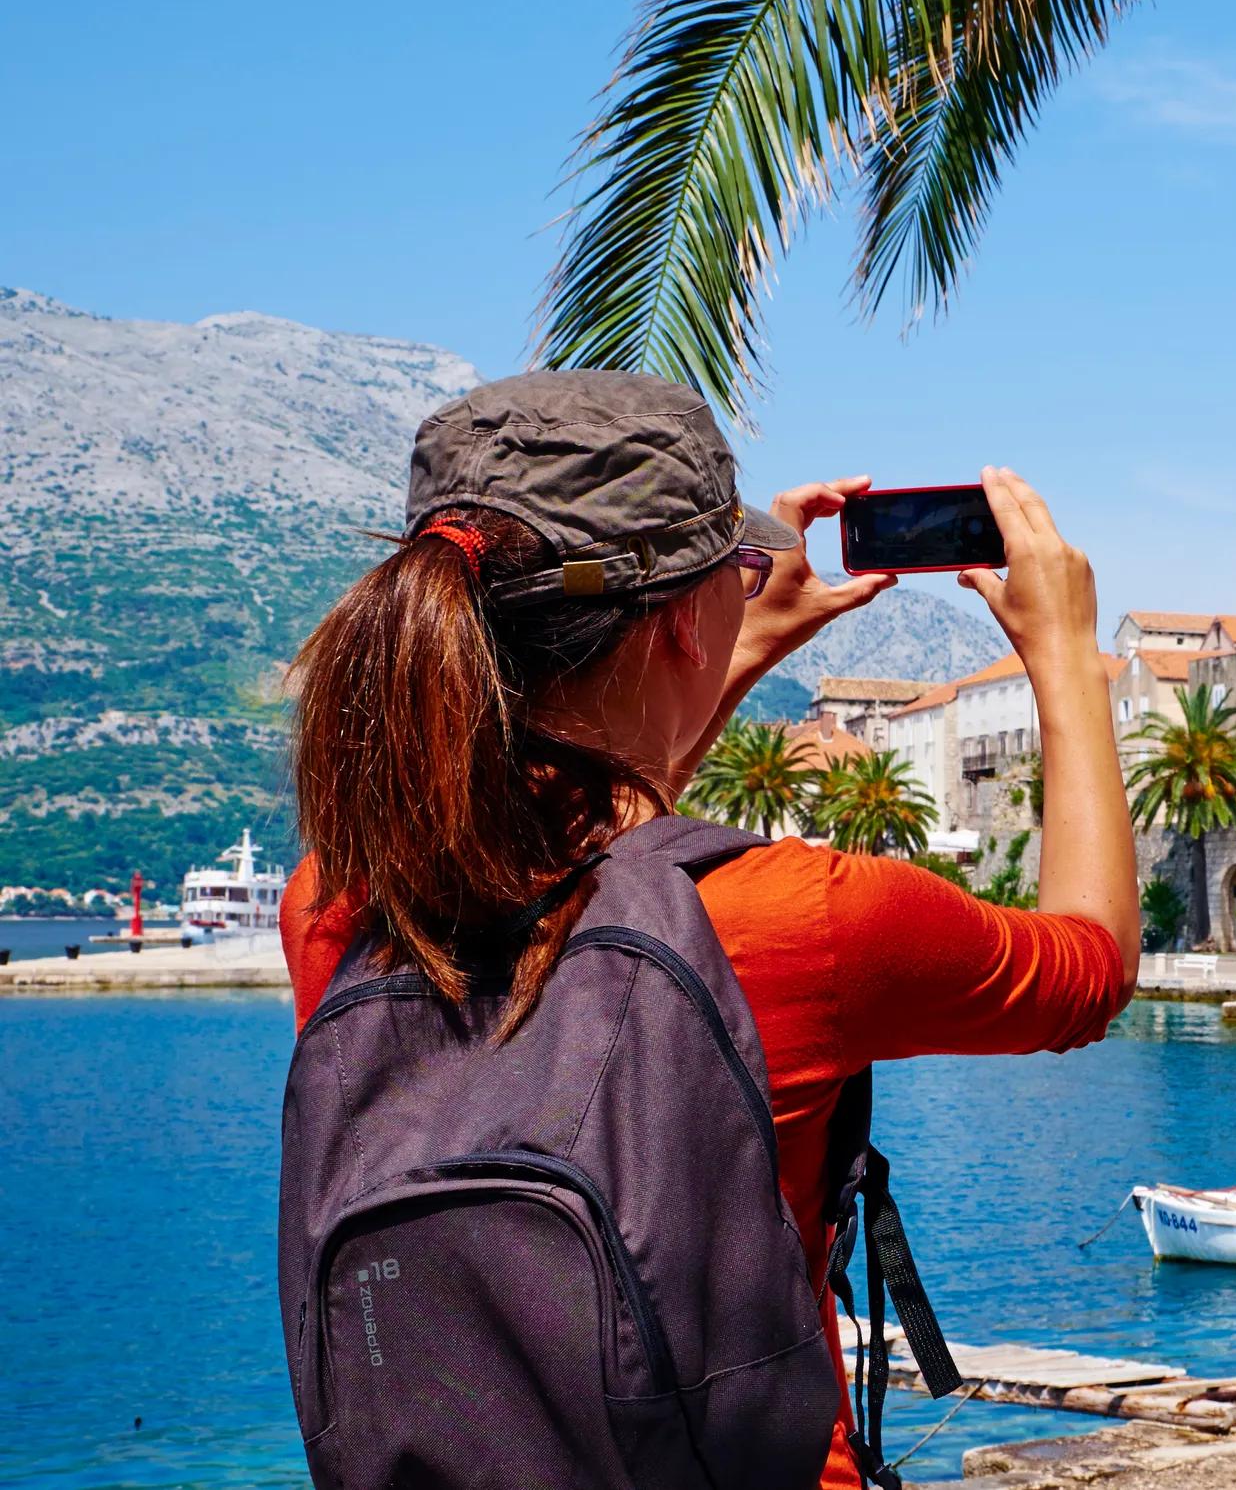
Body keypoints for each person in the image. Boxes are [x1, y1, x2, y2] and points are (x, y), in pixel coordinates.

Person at [280, 371, 1138, 1490]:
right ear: (684, 620)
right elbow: (1088, 966)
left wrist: (732, 640)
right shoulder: (807, 916)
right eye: (738, 572)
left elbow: (587, 855)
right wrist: (1067, 657)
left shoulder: (336, 904)